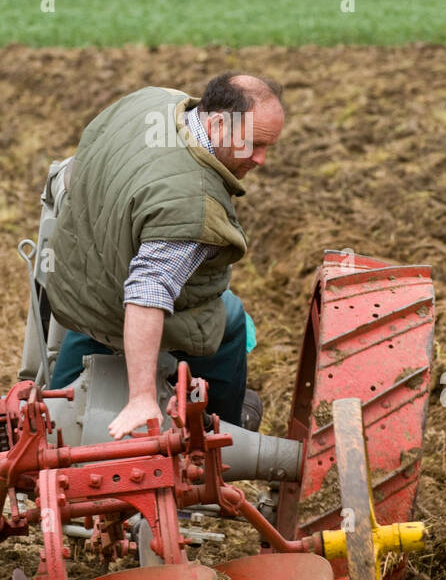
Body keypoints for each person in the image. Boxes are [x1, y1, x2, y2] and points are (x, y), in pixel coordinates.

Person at [44, 71, 285, 439]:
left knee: (109, 298)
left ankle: (55, 395)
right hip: (113, 310)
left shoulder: (152, 102)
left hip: (81, 284)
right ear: (218, 123)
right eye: (253, 144)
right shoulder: (191, 204)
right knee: (232, 318)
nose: (261, 159)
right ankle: (222, 433)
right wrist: (141, 398)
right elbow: (147, 292)